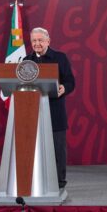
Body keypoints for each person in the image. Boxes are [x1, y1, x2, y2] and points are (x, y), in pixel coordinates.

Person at [24, 27, 75, 190]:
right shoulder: (26, 60)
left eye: (40, 40)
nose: (37, 43)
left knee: (57, 148)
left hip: (55, 111)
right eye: (34, 41)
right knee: (34, 148)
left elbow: (70, 81)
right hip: (32, 110)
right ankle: (34, 180)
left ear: (48, 41)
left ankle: (59, 183)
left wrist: (64, 88)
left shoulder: (60, 58)